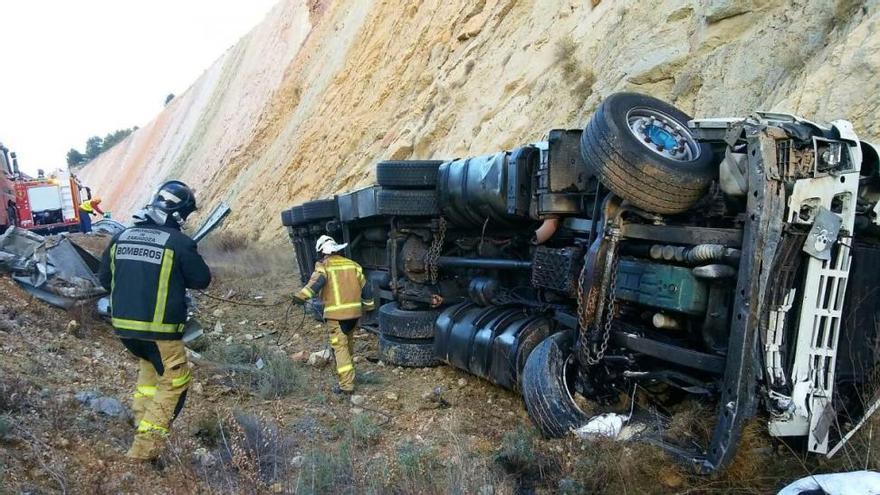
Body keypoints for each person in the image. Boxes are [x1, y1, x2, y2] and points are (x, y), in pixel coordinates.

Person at [98, 180, 211, 462]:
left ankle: (140, 424)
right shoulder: (179, 242)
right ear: (177, 213)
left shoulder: (120, 238)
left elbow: (104, 280)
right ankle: (143, 454)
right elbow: (201, 279)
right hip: (159, 333)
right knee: (175, 383)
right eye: (184, 215)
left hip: (126, 333)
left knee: (149, 378)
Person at [294, 235, 374, 394]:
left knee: (340, 348)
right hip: (354, 315)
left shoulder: (324, 266)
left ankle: (346, 386)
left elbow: (315, 284)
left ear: (322, 252)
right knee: (348, 346)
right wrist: (368, 306)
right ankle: (350, 377)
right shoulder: (354, 266)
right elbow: (366, 289)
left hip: (337, 317)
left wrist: (300, 297)